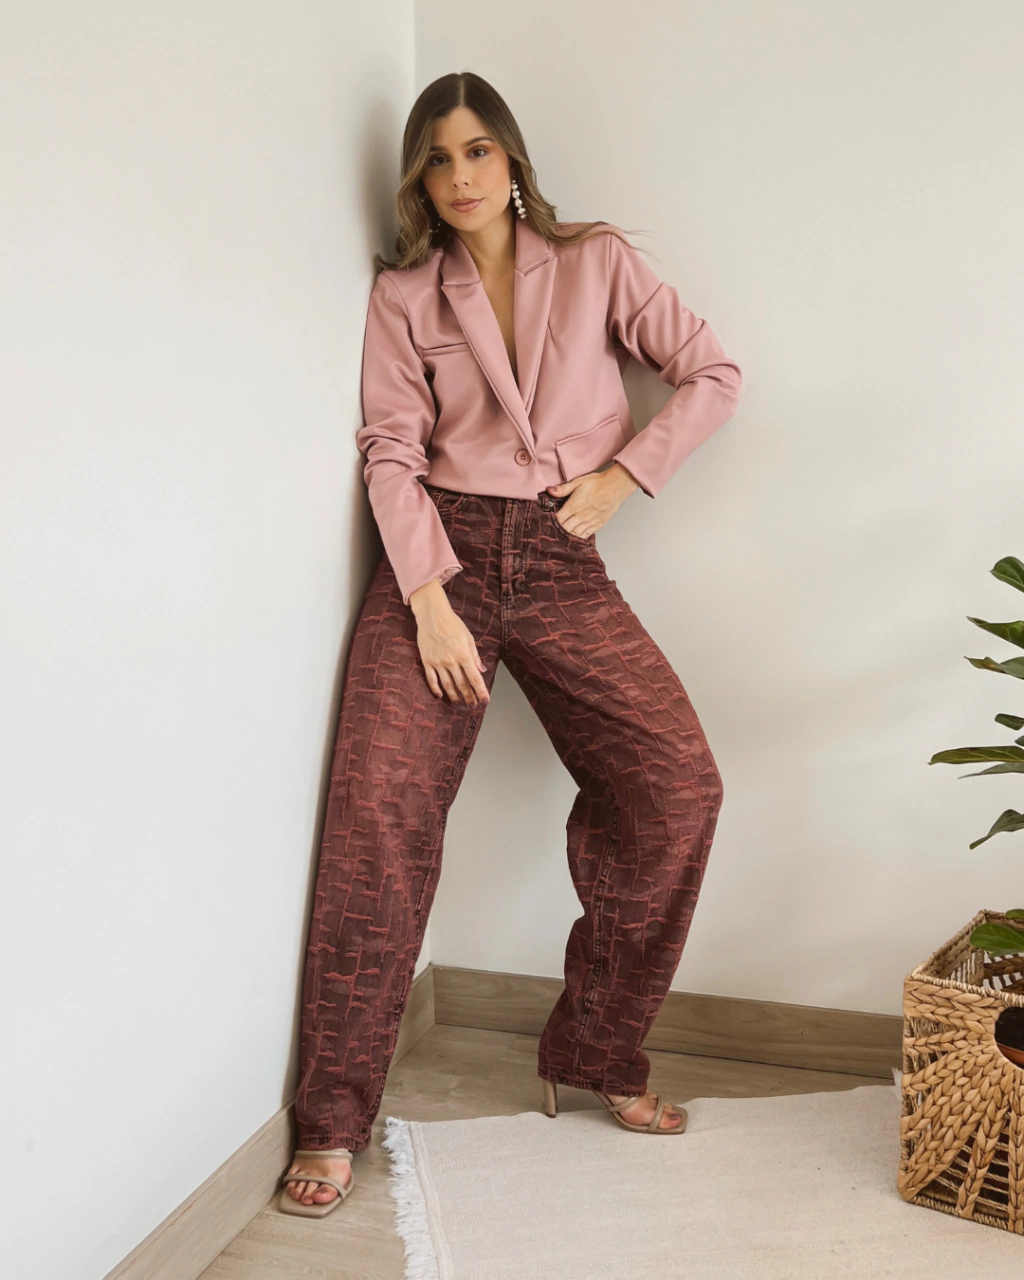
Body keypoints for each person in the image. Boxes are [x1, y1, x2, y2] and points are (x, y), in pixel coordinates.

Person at [279, 70, 742, 1216]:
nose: (460, 176)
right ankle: (331, 1118)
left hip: (559, 557)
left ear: (512, 157)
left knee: (675, 785)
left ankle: (594, 1047)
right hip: (434, 559)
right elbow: (391, 447)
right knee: (377, 817)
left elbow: (711, 374)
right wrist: (427, 596)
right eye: (438, 158)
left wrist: (623, 476)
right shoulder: (405, 294)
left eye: (477, 150)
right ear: (417, 179)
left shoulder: (596, 263)